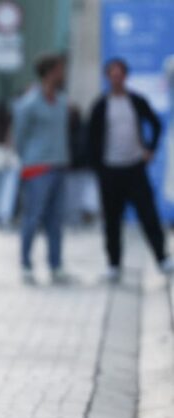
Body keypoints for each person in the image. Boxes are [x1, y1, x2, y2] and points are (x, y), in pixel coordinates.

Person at [88, 58, 172, 282]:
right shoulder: (101, 105)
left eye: (120, 75)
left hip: (134, 168)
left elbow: (156, 123)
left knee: (148, 214)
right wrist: (99, 168)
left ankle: (162, 258)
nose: (116, 79)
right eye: (113, 75)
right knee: (112, 220)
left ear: (125, 77)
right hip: (110, 170)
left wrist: (150, 149)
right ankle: (114, 264)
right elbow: (92, 138)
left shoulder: (136, 101)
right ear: (108, 77)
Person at [12, 54, 71, 284]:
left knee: (55, 220)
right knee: (32, 217)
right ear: (49, 73)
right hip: (37, 167)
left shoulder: (62, 101)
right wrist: (27, 159)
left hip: (59, 164)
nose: (62, 74)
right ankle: (26, 263)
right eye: (59, 70)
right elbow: (20, 135)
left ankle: (56, 265)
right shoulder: (29, 103)